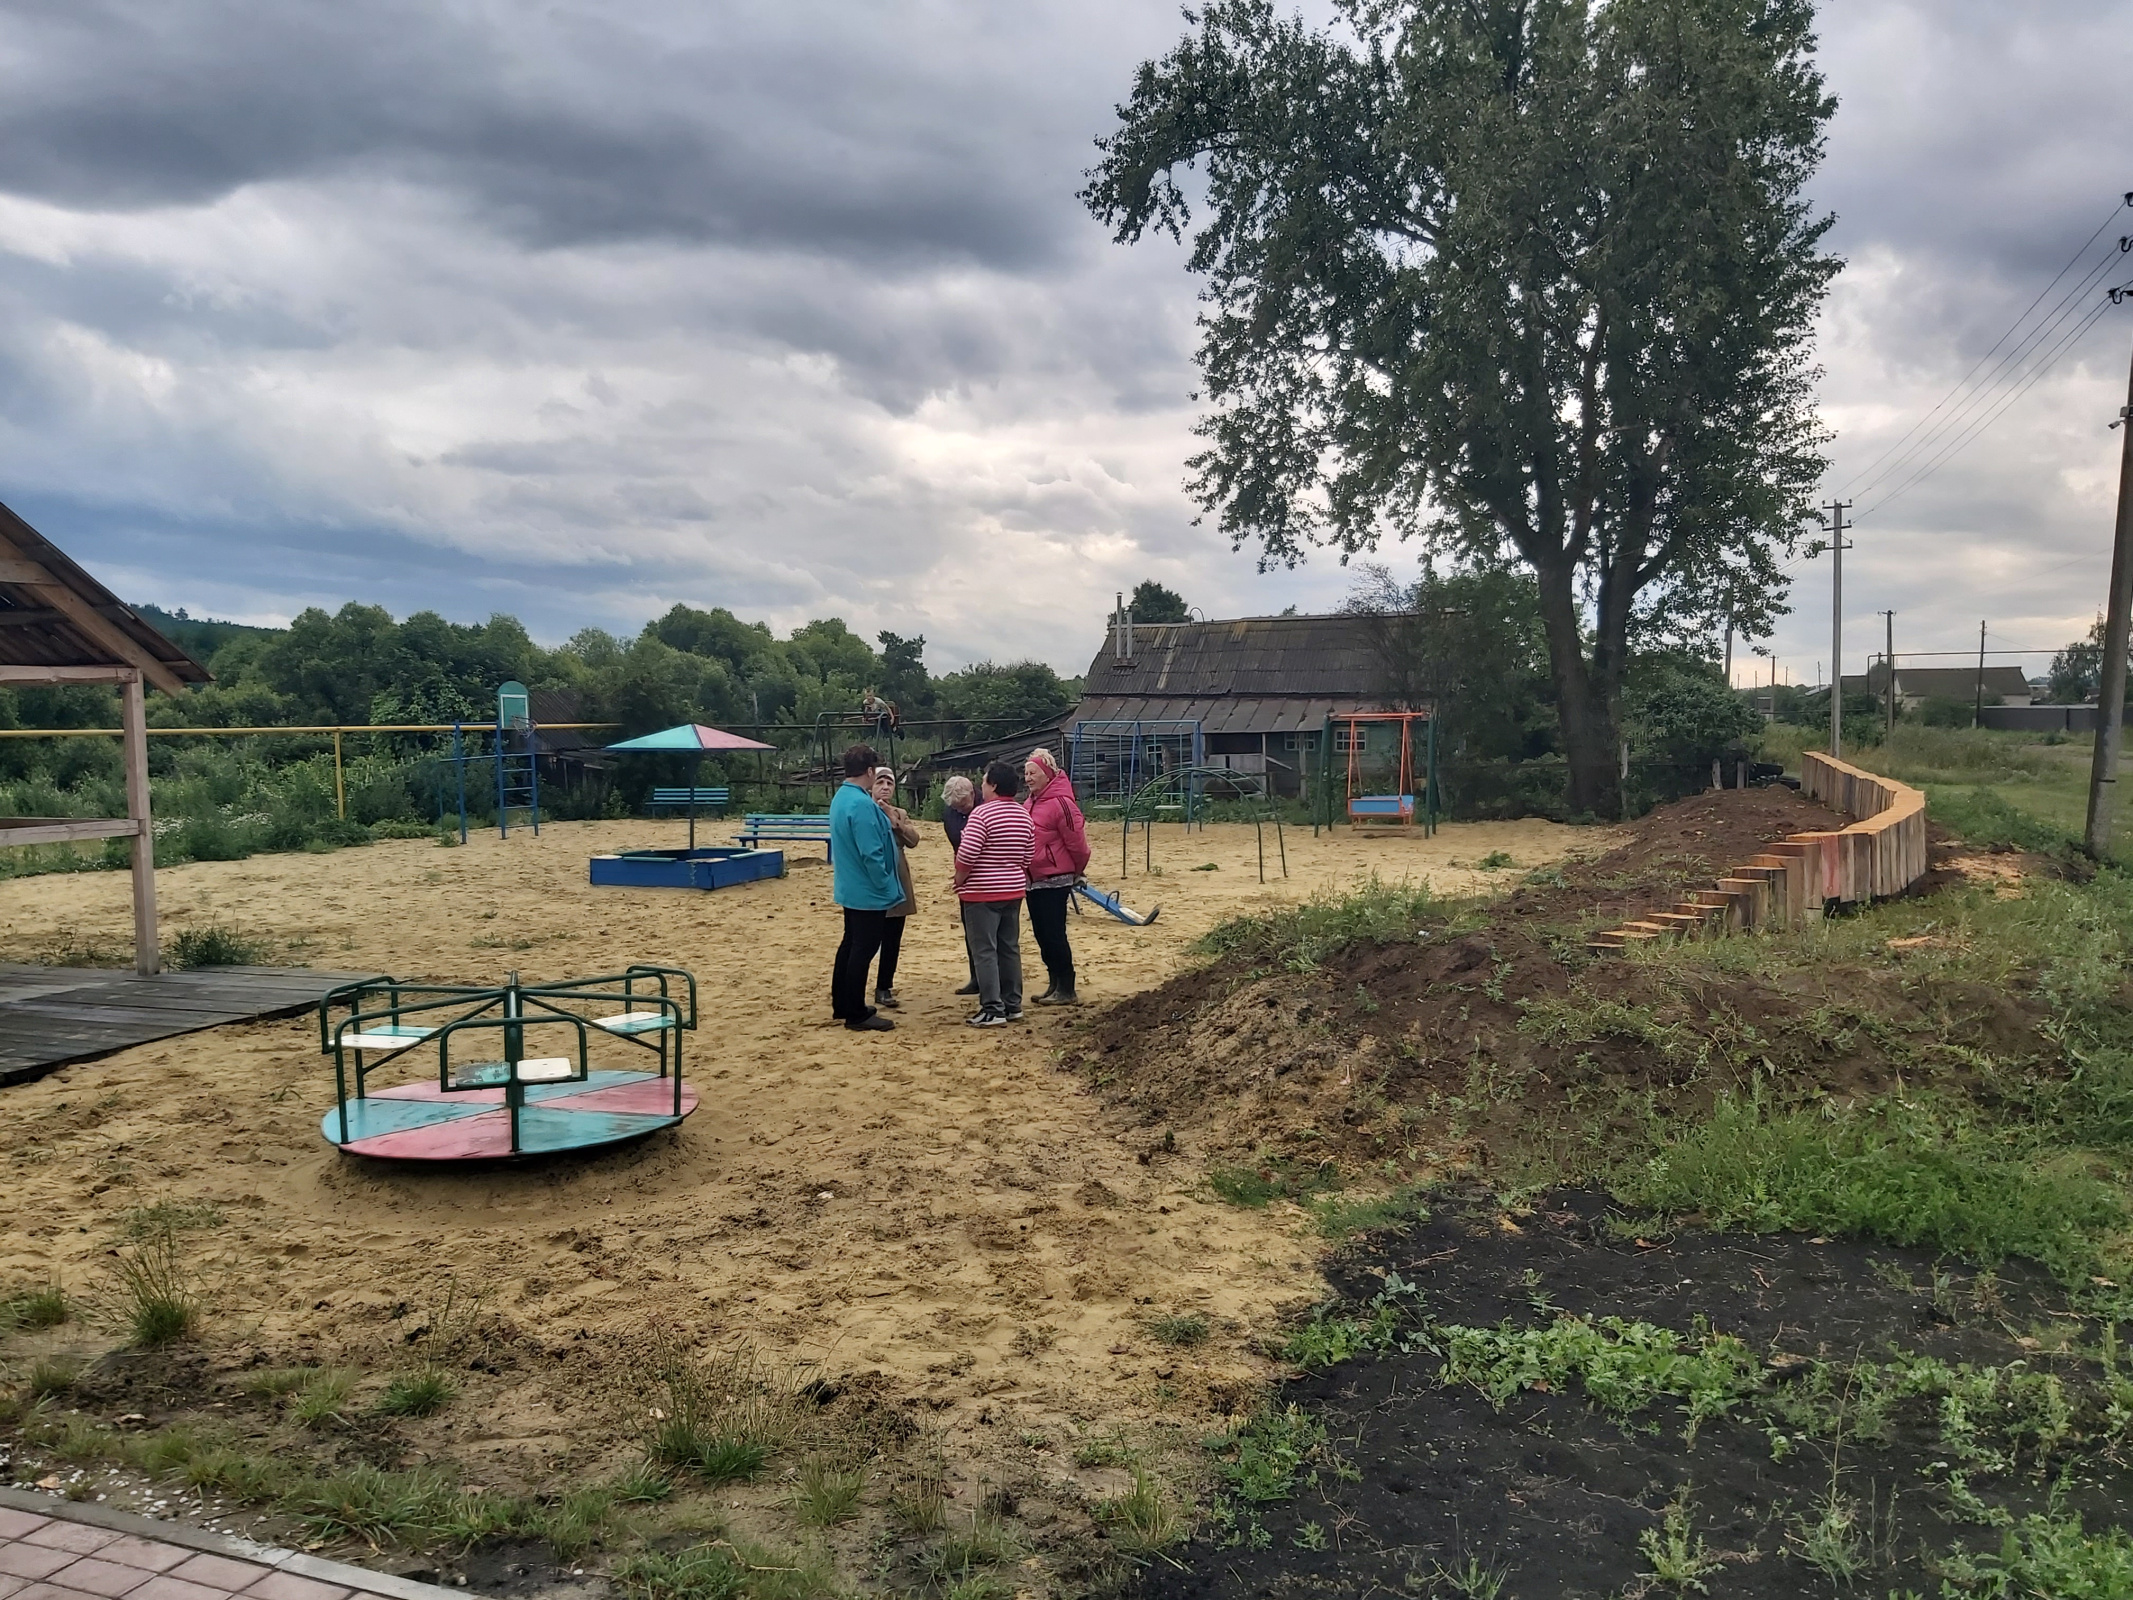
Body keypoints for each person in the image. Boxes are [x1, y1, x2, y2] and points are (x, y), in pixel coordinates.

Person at [954, 760, 1034, 1026]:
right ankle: (1013, 1005)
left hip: (982, 892)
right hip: (1013, 890)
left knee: (985, 950)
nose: (981, 786)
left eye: (984, 781)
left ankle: (992, 1008)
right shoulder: (1024, 814)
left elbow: (967, 854)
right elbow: (1028, 856)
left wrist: (959, 879)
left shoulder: (981, 815)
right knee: (1009, 948)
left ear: (994, 785)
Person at [827, 743, 901, 1032]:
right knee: (864, 948)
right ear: (870, 771)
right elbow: (871, 853)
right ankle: (856, 1013)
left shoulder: (841, 797)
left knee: (850, 944)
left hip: (850, 886)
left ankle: (843, 1003)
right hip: (867, 891)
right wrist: (885, 883)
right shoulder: (861, 805)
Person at [1022, 747, 1090, 1005]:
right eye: (1026, 773)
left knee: (1054, 933)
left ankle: (1067, 987)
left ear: (1047, 774)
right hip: (1032, 880)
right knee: (1041, 934)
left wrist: (1076, 871)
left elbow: (1078, 844)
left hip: (1055, 878)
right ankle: (1054, 982)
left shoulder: (1062, 803)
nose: (1028, 778)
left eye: (1033, 773)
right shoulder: (1030, 802)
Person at [871, 766, 921, 1011]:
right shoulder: (865, 811)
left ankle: (884, 986)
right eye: (880, 782)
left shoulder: (899, 812)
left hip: (897, 880)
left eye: (890, 783)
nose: (885, 787)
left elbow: (913, 840)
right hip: (872, 881)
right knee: (867, 938)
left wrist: (897, 823)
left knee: (892, 939)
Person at [940, 775, 980, 996]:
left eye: (963, 805)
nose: (961, 810)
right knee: (971, 929)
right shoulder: (950, 813)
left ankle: (997, 978)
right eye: (956, 807)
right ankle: (976, 977)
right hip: (966, 878)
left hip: (990, 876)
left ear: (973, 794)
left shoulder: (986, 805)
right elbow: (957, 843)